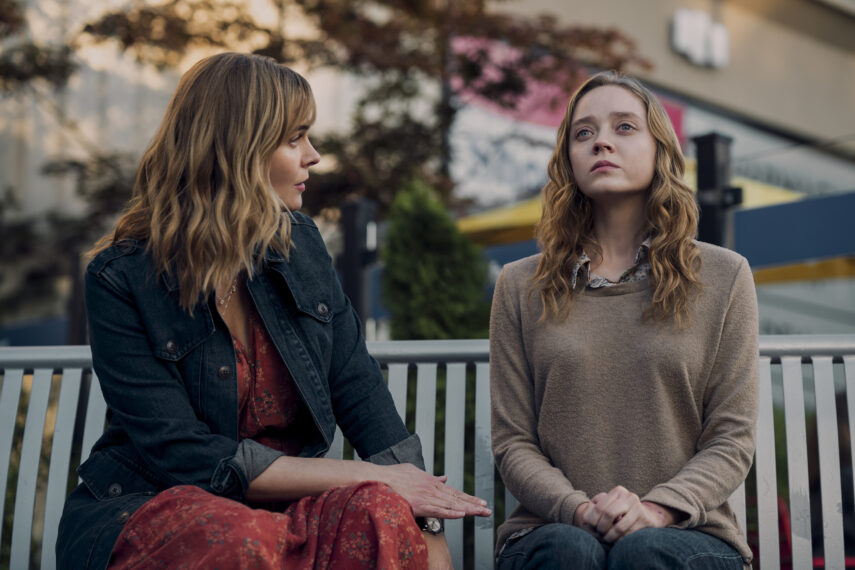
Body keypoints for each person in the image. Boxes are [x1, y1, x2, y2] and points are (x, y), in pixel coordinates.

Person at [57, 52, 490, 570]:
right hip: (157, 507)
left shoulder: (300, 246)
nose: (314, 156)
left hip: (284, 517)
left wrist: (422, 514)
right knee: (239, 539)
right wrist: (368, 476)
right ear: (238, 150)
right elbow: (182, 455)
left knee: (381, 511)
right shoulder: (120, 277)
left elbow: (358, 389)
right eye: (294, 139)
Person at [489, 71, 759, 569]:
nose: (602, 142)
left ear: (660, 149)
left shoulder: (726, 276)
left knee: (644, 551)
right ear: (568, 159)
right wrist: (577, 509)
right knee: (571, 550)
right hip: (551, 531)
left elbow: (731, 438)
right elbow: (513, 442)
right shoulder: (519, 285)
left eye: (625, 127)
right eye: (584, 132)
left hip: (688, 534)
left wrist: (657, 510)